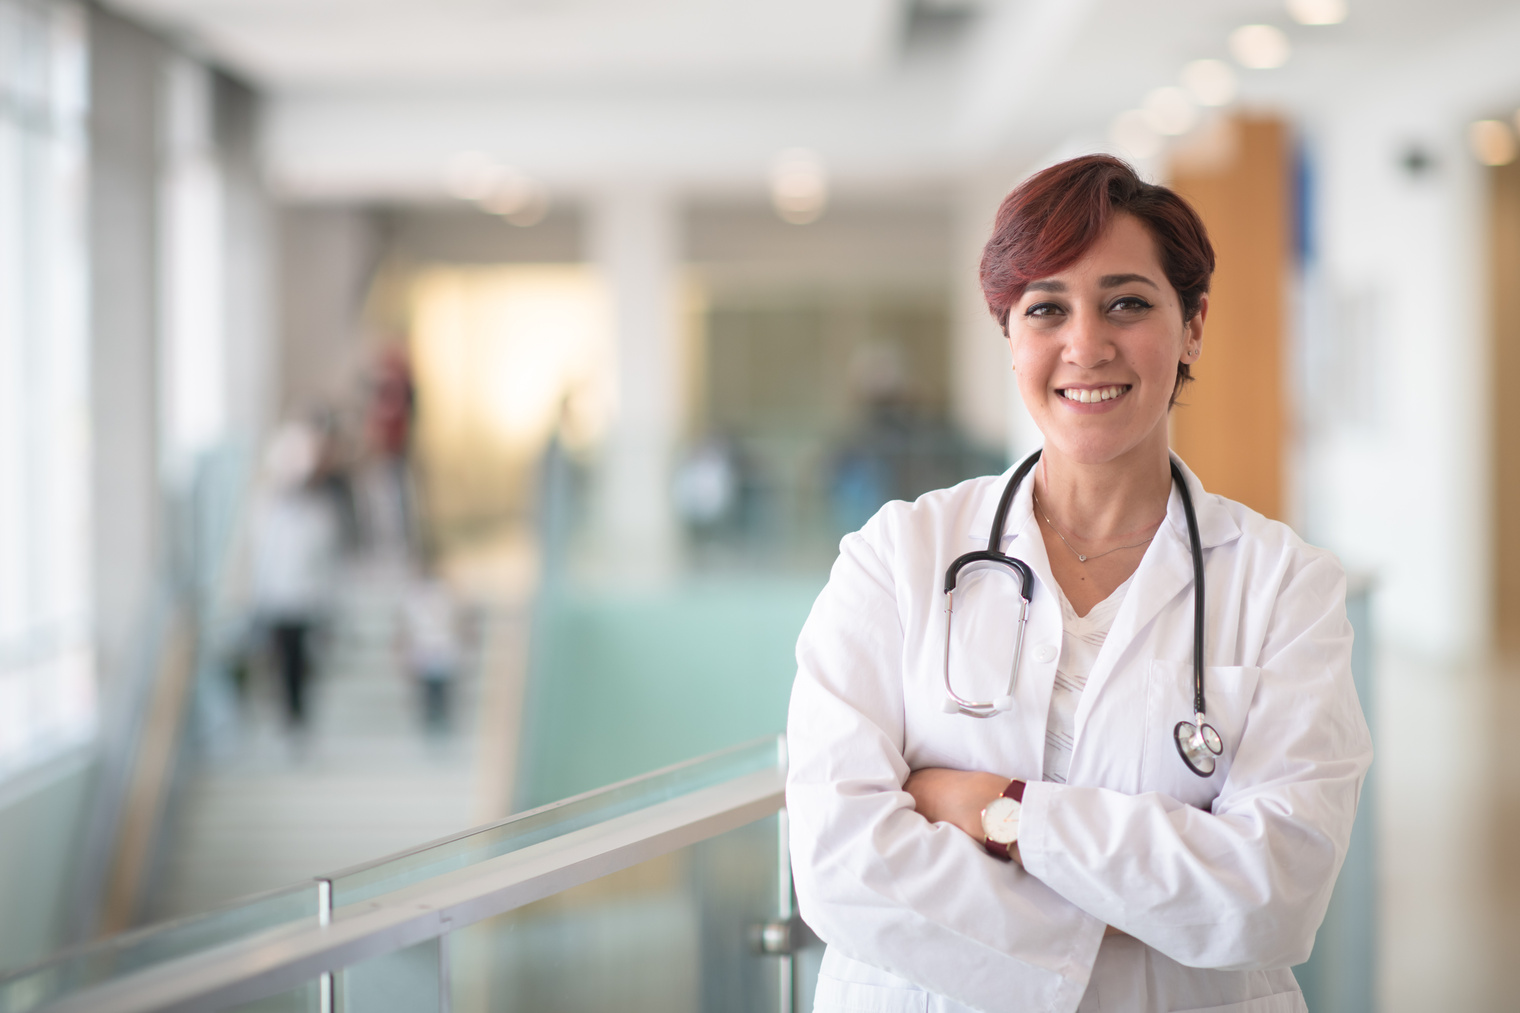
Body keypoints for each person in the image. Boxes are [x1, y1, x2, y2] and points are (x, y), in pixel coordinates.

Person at [785, 155, 1372, 1013]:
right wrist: (1136, 916)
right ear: (1010, 334)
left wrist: (998, 808)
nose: (1086, 345)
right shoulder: (897, 556)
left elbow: (1271, 896)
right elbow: (840, 865)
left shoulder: (1285, 586)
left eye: (1128, 303)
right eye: (1047, 308)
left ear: (1194, 324)